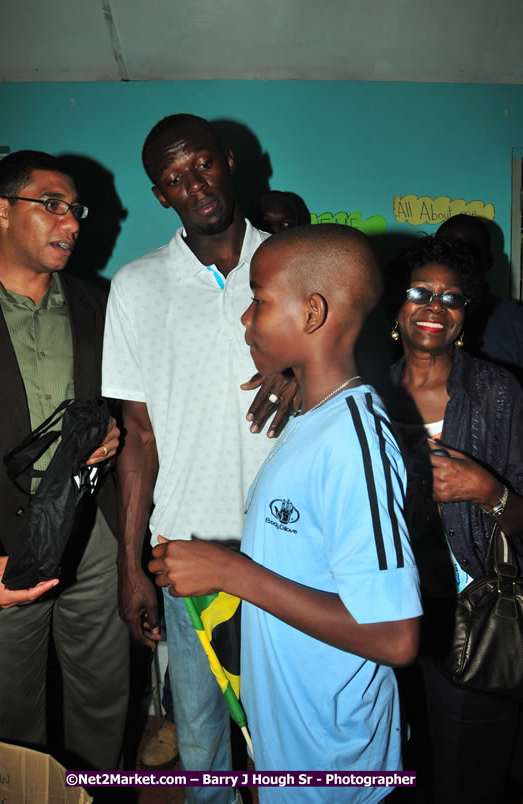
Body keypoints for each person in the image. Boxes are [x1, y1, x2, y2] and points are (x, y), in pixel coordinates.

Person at [150, 224, 423, 803]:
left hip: (338, 769)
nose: (246, 318)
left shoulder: (356, 442)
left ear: (313, 312)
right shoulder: (310, 419)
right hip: (289, 745)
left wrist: (231, 574)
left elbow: (395, 635)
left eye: (260, 300)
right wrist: (222, 563)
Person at [101, 114, 298, 799]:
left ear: (230, 161)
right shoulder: (135, 286)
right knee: (203, 753)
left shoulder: (294, 263)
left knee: (288, 745)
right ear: (161, 195)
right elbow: (138, 437)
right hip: (187, 555)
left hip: (293, 547)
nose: (195, 184)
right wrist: (132, 565)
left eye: (203, 165)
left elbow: (351, 384)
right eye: (175, 178)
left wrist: (307, 369)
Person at [0, 150, 129, 770]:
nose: (71, 223)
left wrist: (110, 434)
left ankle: (95, 789)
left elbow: (127, 404)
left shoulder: (101, 303)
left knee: (103, 694)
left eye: (76, 209)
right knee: (7, 708)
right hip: (3, 535)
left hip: (93, 525)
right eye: (51, 206)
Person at [386, 235, 523, 803]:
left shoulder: (497, 394)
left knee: (467, 780)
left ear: (467, 316)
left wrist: (486, 489)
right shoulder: (365, 393)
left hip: (472, 621)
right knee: (396, 767)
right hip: (382, 613)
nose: (434, 307)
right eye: (420, 292)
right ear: (396, 305)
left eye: (452, 298)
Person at [436, 213, 523, 379]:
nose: (458, 260)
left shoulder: (517, 324)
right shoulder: (414, 317)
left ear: (489, 261)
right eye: (447, 251)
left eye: (469, 251)